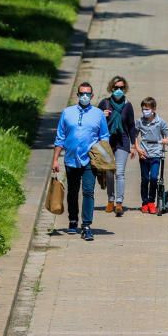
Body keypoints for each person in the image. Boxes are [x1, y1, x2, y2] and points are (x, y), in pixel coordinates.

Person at [52, 82, 110, 241]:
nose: (85, 96)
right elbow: (60, 137)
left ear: (92, 96)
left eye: (88, 94)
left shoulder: (98, 114)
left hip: (90, 161)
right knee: (72, 191)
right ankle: (72, 219)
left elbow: (104, 136)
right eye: (81, 93)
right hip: (70, 159)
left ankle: (86, 225)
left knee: (88, 191)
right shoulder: (67, 112)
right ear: (78, 95)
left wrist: (103, 155)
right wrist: (56, 159)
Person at [98, 75, 137, 217]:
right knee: (109, 172)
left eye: (121, 88)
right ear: (111, 88)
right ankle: (110, 200)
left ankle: (119, 203)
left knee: (120, 173)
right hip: (107, 142)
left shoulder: (128, 105)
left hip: (123, 141)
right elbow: (94, 121)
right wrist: (102, 115)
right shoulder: (104, 103)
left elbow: (131, 126)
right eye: (116, 88)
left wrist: (133, 145)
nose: (119, 90)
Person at [134, 97, 168, 214]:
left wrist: (166, 140)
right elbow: (134, 136)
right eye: (143, 109)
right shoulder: (139, 121)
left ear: (153, 109)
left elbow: (167, 135)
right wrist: (138, 148)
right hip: (144, 154)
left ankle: (151, 201)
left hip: (156, 154)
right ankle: (144, 202)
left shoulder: (160, 122)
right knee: (145, 179)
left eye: (147, 109)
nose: (145, 111)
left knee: (154, 178)